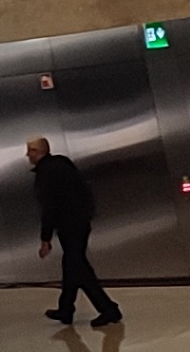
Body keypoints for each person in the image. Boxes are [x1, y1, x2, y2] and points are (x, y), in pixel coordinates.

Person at [30, 135, 121, 326]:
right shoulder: (63, 164)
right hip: (80, 222)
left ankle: (108, 310)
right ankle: (66, 309)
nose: (27, 155)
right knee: (72, 266)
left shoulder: (45, 173)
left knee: (78, 268)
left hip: (68, 225)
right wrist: (87, 215)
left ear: (39, 152)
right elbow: (83, 190)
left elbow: (49, 207)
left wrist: (45, 239)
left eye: (30, 150)